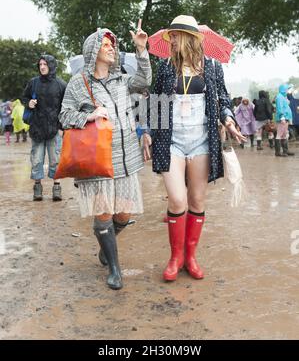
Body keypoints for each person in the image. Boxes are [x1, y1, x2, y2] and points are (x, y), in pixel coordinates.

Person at [143, 15, 245, 282]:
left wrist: (229, 120)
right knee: (178, 199)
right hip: (172, 142)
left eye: (175, 35)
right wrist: (147, 132)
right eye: (170, 36)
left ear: (188, 37)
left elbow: (223, 98)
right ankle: (175, 258)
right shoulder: (166, 67)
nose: (171, 40)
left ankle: (190, 257)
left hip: (201, 142)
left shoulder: (210, 67)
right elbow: (156, 102)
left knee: (197, 200)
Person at [59, 20, 152, 290]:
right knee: (103, 213)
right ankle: (114, 267)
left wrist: (141, 50)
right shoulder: (78, 84)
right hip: (97, 159)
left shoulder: (122, 79)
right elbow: (64, 116)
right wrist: (89, 115)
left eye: (113, 45)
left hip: (126, 158)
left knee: (122, 214)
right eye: (106, 45)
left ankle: (105, 246)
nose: (112, 49)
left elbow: (145, 80)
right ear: (93, 51)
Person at [22, 55, 67, 201]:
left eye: (45, 64)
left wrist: (62, 127)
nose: (42, 67)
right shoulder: (33, 83)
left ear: (52, 65)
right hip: (37, 128)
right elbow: (24, 97)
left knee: (55, 160)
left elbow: (66, 106)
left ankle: (57, 187)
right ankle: (37, 187)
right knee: (36, 159)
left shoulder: (61, 84)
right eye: (40, 64)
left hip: (54, 129)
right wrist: (28, 103)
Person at [274, 84, 294, 157]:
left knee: (284, 134)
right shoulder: (279, 97)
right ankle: (278, 152)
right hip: (282, 118)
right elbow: (280, 108)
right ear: (283, 89)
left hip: (286, 117)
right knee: (279, 134)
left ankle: (286, 151)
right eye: (287, 89)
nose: (288, 90)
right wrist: (282, 116)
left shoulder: (283, 96)